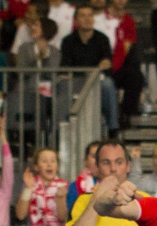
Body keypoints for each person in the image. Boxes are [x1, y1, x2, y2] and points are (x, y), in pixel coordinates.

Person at [60, 6, 120, 135]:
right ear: (75, 20)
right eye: (83, 15)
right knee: (62, 85)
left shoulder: (102, 39)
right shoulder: (68, 41)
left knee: (108, 84)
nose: (87, 19)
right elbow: (65, 68)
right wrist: (95, 68)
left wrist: (102, 67)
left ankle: (113, 128)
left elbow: (108, 67)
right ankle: (61, 130)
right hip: (76, 82)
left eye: (90, 15)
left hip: (97, 83)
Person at [106, 0, 143, 128]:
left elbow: (127, 47)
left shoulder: (129, 21)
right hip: (103, 64)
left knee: (135, 76)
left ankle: (128, 114)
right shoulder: (102, 18)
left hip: (119, 64)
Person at [16, 148, 69, 226]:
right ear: (36, 167)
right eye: (44, 161)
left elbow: (64, 218)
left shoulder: (65, 186)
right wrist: (28, 188)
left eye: (53, 161)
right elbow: (20, 215)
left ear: (57, 166)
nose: (49, 164)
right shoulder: (30, 183)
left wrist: (61, 199)